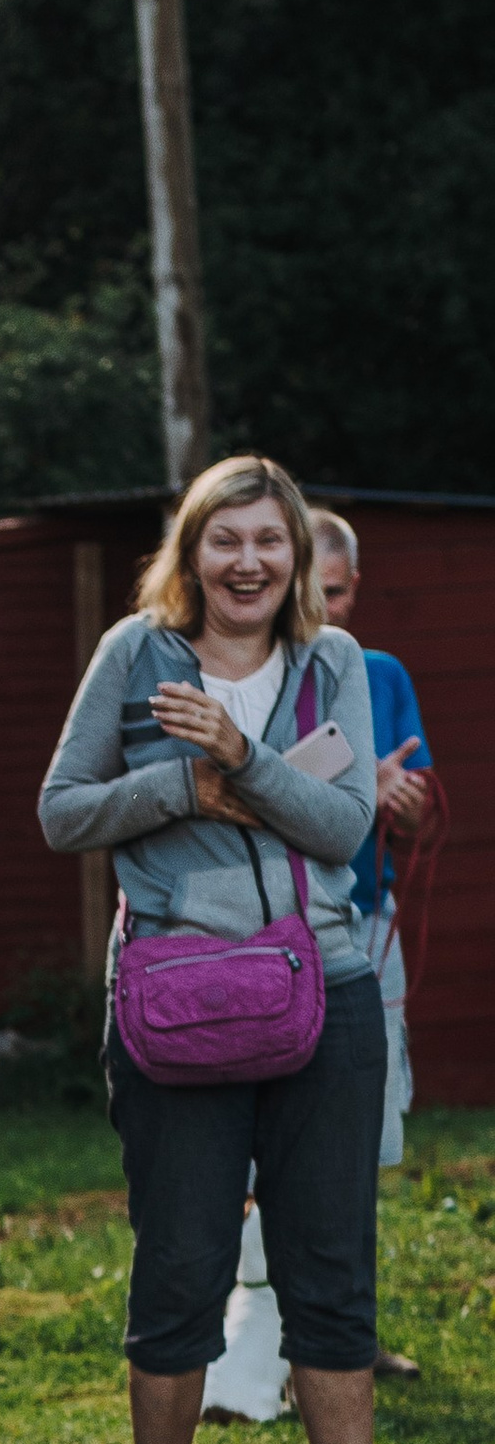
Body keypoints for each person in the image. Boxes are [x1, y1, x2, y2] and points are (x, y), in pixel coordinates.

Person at [39, 455, 427, 1444]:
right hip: (179, 994)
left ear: (296, 555)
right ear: (190, 551)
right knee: (180, 1260)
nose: (247, 562)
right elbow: (62, 811)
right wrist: (181, 788)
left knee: (329, 1262)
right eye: (225, 539)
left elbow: (344, 825)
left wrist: (239, 758)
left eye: (268, 540)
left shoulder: (332, 660)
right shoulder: (132, 653)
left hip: (327, 989)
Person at [309, 507, 434, 1195]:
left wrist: (404, 804)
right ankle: (258, 1255)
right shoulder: (266, 675)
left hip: (367, 919)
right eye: (308, 591)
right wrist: (358, 785)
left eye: (333, 593)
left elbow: (418, 819)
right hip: (281, 921)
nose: (321, 610)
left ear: (354, 587)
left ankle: (348, 1243)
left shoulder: (383, 675)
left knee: (370, 1112)